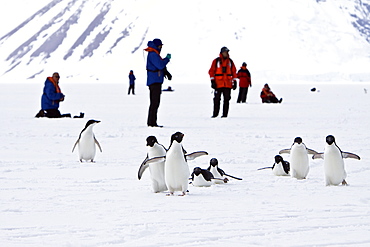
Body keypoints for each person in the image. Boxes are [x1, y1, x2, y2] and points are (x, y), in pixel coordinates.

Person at [144, 38, 172, 127]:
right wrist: (167, 59)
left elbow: (159, 65)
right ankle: (152, 123)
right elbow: (160, 65)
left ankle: (152, 122)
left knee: (155, 102)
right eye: (160, 46)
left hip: (155, 80)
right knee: (154, 102)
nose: (161, 48)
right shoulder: (153, 54)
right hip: (154, 81)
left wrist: (166, 71)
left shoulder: (154, 54)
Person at [208, 46, 237, 118]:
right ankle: (215, 114)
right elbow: (211, 71)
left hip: (227, 84)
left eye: (227, 52)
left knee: (227, 99)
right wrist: (212, 81)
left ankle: (225, 115)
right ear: (221, 52)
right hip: (218, 84)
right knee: (216, 99)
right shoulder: (216, 61)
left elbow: (234, 72)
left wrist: (234, 81)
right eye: (225, 52)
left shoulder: (230, 62)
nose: (226, 53)